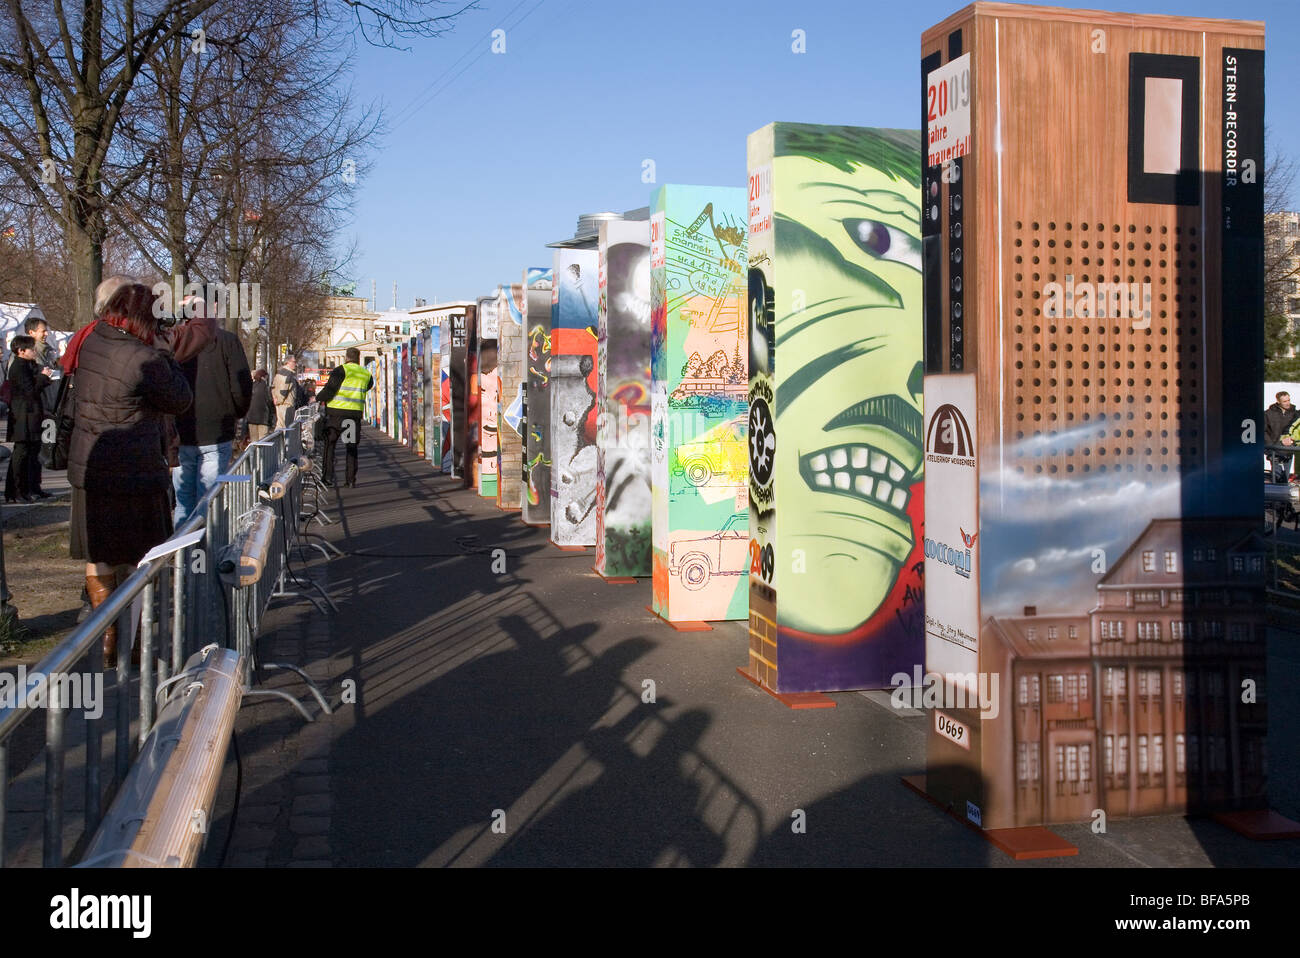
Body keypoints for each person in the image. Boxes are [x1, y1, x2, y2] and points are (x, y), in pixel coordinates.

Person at [65, 282, 193, 668]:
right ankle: (131, 647)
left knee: (100, 555)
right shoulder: (144, 357)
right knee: (140, 561)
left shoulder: (91, 341)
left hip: (90, 467)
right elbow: (180, 398)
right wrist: (166, 352)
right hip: (134, 470)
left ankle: (106, 639)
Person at [171, 296, 252, 526]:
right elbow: (242, 385)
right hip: (216, 431)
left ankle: (183, 558)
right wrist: (235, 413)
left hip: (182, 431)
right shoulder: (227, 341)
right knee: (208, 501)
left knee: (183, 502)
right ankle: (204, 556)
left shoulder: (175, 341)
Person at [5, 335, 55, 502]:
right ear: (21, 351)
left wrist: (44, 376)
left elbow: (37, 383)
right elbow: (29, 391)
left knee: (34, 452)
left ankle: (32, 487)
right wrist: (42, 377)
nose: (34, 352)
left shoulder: (29, 365)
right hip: (22, 415)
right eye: (31, 349)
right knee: (21, 453)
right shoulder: (18, 367)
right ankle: (16, 491)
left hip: (33, 413)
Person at [316, 346, 373, 488]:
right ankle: (350, 480)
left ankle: (327, 478)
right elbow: (368, 387)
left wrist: (319, 397)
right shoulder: (366, 373)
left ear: (346, 357)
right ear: (358, 358)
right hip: (353, 416)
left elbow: (330, 389)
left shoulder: (340, 370)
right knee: (351, 448)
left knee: (330, 445)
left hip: (335, 415)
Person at [1266, 391, 1300, 483]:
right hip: (1274, 450)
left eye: (1288, 400)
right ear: (1278, 401)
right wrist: (1271, 448)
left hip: (1289, 450)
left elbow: (1295, 430)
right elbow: (1264, 432)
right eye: (1284, 401)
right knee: (1276, 477)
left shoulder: (1295, 413)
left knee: (1285, 479)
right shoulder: (1268, 414)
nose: (1288, 403)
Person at [245, 368, 276, 442]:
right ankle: (260, 453)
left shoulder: (251, 386)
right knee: (263, 440)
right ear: (263, 376)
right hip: (263, 417)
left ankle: (255, 453)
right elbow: (269, 402)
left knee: (254, 440)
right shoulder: (266, 387)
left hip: (251, 417)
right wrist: (273, 414)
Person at [271, 355, 302, 428]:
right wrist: (279, 400)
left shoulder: (279, 373)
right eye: (294, 362)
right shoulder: (288, 374)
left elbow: (273, 387)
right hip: (286, 404)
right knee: (286, 428)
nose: (296, 364)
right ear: (288, 362)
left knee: (280, 426)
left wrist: (275, 398)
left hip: (280, 403)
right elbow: (283, 389)